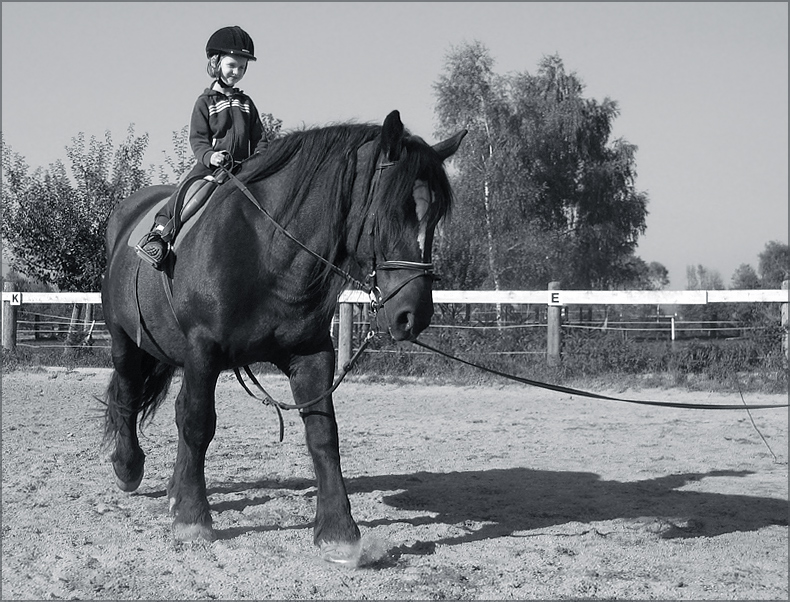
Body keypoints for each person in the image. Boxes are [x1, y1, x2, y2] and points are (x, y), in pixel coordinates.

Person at [135, 25, 267, 269]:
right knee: (193, 194)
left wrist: (261, 158)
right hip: (213, 169)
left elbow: (260, 139)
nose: (237, 72)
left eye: (242, 67)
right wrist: (210, 156)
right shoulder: (204, 102)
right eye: (232, 66)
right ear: (216, 63)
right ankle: (160, 234)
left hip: (245, 170)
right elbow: (197, 139)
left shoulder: (247, 104)